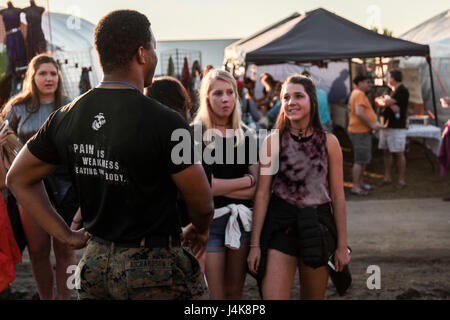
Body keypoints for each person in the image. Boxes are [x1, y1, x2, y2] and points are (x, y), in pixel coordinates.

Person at [6, 10, 214, 300]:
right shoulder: (166, 122)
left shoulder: (67, 115)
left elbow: (18, 177)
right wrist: (200, 229)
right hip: (155, 267)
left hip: (94, 265)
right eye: (153, 48)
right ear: (142, 54)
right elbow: (202, 200)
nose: (154, 55)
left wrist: (66, 234)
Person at [247, 74, 350, 300]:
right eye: (286, 97)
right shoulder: (273, 141)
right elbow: (262, 195)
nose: (291, 102)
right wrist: (255, 245)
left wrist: (342, 246)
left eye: (298, 96)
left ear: (312, 100)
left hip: (318, 226)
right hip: (280, 225)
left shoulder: (329, 142)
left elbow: (338, 195)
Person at [2, 53, 78, 300]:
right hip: (30, 185)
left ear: (59, 77)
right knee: (38, 250)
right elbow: (5, 147)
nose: (49, 79)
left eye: (53, 73)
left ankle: (66, 299)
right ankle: (46, 298)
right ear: (31, 77)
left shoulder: (71, 105)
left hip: (66, 185)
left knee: (66, 249)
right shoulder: (17, 108)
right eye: (43, 73)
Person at [192, 69, 259, 299]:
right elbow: (203, 189)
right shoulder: (194, 135)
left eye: (230, 92)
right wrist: (246, 180)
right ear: (207, 97)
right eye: (218, 93)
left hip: (240, 222)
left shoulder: (246, 135)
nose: (225, 99)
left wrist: (220, 186)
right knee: (215, 293)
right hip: (209, 224)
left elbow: (257, 188)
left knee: (235, 292)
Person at [375, 69, 410, 189]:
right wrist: (386, 102)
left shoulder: (402, 91)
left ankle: (401, 180)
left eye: (388, 77)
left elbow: (384, 102)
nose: (387, 80)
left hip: (397, 127)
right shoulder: (389, 90)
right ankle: (387, 177)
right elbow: (378, 100)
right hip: (386, 125)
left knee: (399, 153)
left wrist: (386, 102)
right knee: (386, 152)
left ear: (393, 79)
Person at [347, 75, 380, 196]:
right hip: (359, 132)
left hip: (361, 131)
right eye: (367, 82)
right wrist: (372, 125)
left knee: (363, 159)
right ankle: (355, 187)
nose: (369, 85)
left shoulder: (357, 93)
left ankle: (360, 183)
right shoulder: (359, 94)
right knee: (360, 160)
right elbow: (360, 113)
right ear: (359, 83)